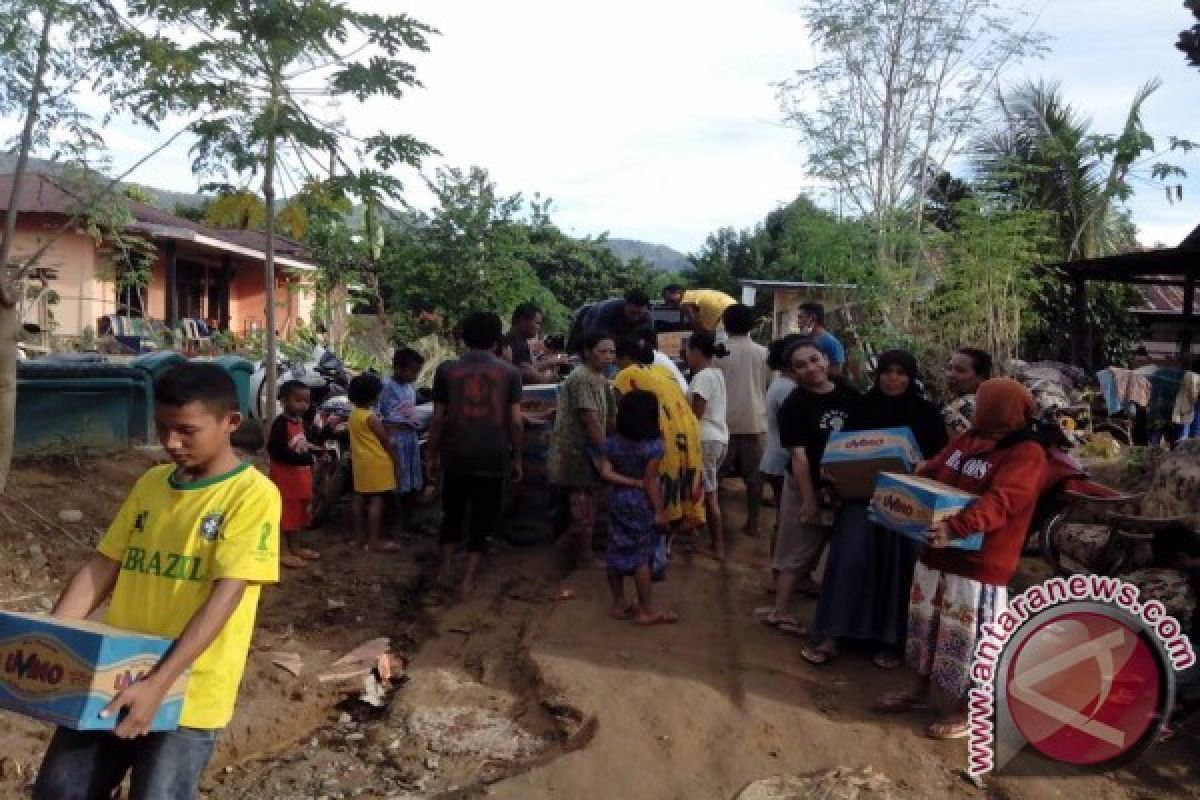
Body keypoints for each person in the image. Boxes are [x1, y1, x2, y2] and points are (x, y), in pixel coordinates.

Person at [33, 363, 280, 800]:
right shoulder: (150, 484)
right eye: (162, 428)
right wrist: (51, 644)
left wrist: (159, 684)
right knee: (60, 790)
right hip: (112, 674)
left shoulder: (252, 495)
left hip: (190, 691)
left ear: (230, 423)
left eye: (186, 430)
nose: (170, 442)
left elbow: (227, 596)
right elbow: (102, 566)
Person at [875, 378, 1047, 740]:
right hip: (937, 553)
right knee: (928, 627)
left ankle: (970, 711)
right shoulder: (971, 437)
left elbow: (1003, 500)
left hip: (979, 564)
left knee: (972, 638)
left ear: (1005, 409)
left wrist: (958, 528)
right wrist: (921, 472)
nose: (977, 408)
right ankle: (919, 691)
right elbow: (940, 464)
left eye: (986, 403)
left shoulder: (1026, 452)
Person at [800, 350, 947, 667]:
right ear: (877, 375)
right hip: (861, 500)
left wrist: (922, 466)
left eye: (901, 372)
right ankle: (833, 635)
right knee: (849, 562)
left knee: (899, 568)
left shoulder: (926, 414)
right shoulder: (860, 408)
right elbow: (840, 451)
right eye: (887, 372)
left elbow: (941, 461)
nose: (893, 378)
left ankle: (891, 641)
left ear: (911, 377)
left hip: (907, 504)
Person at [763, 341, 860, 633]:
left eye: (814, 360)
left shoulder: (848, 394)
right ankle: (779, 611)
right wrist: (808, 498)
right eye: (801, 365)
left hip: (844, 486)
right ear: (793, 372)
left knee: (834, 549)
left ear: (826, 359)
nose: (810, 368)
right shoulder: (795, 405)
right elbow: (799, 456)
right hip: (806, 485)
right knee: (799, 547)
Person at [427, 311, 524, 601]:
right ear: (497, 340)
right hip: (493, 455)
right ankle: (466, 582)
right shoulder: (510, 373)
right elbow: (516, 422)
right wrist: (517, 457)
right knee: (483, 518)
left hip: (455, 453)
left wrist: (431, 455)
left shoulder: (446, 370)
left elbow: (438, 420)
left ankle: (444, 570)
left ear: (464, 338)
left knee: (452, 514)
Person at [614, 333, 706, 534]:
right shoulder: (663, 370)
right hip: (688, 429)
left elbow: (620, 410)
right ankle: (678, 530)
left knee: (661, 480)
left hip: (666, 433)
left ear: (625, 358)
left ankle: (660, 532)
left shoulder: (626, 374)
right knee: (682, 477)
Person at [599, 390, 677, 625]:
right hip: (642, 502)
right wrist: (660, 511)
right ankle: (645, 610)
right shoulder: (653, 447)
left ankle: (619, 603)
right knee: (642, 558)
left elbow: (605, 472)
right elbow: (650, 482)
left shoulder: (611, 442)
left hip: (617, 500)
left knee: (615, 549)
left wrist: (628, 482)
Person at [549, 332, 618, 568]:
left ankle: (569, 551)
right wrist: (609, 453)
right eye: (603, 351)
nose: (608, 357)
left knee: (588, 507)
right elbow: (591, 422)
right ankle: (582, 556)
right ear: (588, 352)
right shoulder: (582, 379)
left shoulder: (600, 378)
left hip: (590, 452)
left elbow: (609, 419)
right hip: (577, 453)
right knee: (583, 509)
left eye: (612, 352)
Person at [716, 303, 771, 537]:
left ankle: (714, 523)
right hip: (755, 422)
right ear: (751, 325)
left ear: (725, 324)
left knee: (715, 476)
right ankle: (753, 523)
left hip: (723, 422)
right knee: (754, 478)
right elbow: (768, 385)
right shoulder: (764, 353)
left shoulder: (717, 352)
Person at [267, 380, 321, 569]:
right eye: (298, 400)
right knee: (285, 516)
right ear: (283, 400)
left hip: (300, 478)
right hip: (285, 479)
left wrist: (315, 451)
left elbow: (301, 444)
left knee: (298, 514)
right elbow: (277, 451)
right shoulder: (280, 424)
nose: (304, 405)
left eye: (306, 401)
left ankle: (295, 547)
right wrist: (306, 460)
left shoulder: (300, 423)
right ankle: (283, 552)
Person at [686, 331, 729, 559]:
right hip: (719, 438)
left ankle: (717, 545)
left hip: (705, 438)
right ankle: (701, 537)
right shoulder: (717, 373)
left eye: (688, 351)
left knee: (709, 493)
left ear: (696, 352)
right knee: (707, 490)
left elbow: (697, 412)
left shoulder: (702, 376)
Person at [347, 373, 399, 553]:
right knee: (376, 501)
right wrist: (394, 455)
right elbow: (384, 440)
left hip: (360, 464)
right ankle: (374, 540)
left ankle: (358, 538)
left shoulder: (353, 415)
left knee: (359, 499)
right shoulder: (371, 417)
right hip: (377, 462)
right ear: (373, 396)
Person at [759, 335, 805, 527]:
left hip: (776, 458)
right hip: (782, 461)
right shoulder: (788, 389)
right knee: (786, 522)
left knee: (783, 518)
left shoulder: (782, 384)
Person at [380, 347, 426, 533]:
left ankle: (408, 521)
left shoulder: (410, 388)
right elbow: (383, 414)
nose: (415, 376)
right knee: (395, 481)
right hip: (395, 438)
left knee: (411, 481)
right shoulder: (386, 387)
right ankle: (391, 524)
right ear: (398, 368)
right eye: (412, 371)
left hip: (410, 438)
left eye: (417, 372)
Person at [567, 288, 653, 354]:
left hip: (619, 337)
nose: (636, 318)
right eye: (632, 313)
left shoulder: (647, 317)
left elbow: (649, 345)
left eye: (639, 314)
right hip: (588, 321)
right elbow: (596, 339)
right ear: (625, 304)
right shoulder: (608, 310)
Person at [507, 302, 564, 384]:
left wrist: (552, 361)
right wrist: (553, 371)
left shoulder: (512, 339)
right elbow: (535, 379)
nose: (538, 328)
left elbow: (529, 367)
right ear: (523, 320)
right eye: (537, 323)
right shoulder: (519, 345)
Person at [942, 347, 992, 439]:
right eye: (949, 368)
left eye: (960, 370)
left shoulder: (956, 408)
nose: (951, 375)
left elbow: (958, 450)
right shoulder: (996, 404)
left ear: (981, 377)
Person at [796, 302, 846, 379]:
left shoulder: (832, 343)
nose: (798, 322)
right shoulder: (804, 340)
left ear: (812, 318)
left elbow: (837, 372)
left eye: (800, 317)